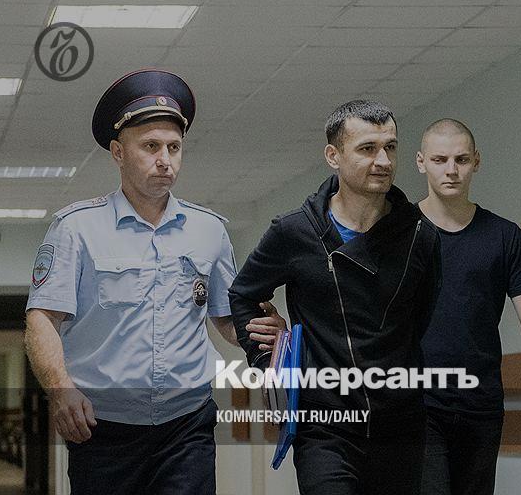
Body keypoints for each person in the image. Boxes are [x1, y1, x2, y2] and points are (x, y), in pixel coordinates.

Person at [24, 69, 241, 494]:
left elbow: (227, 318)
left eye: (174, 147)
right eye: (151, 146)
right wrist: (61, 391)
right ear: (118, 152)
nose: (165, 159)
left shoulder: (209, 230)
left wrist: (268, 335)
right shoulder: (76, 229)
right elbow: (42, 319)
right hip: (102, 427)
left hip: (187, 425)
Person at [228, 100, 441, 495]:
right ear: (333, 156)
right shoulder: (295, 232)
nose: (383, 161)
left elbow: (420, 316)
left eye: (390, 147)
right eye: (367, 148)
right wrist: (267, 361)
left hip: (400, 426)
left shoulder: (420, 236)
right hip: (324, 426)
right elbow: (242, 295)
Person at [414, 118, 521, 494]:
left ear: (477, 162)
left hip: (479, 404)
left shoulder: (503, 236)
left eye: (461, 159)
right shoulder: (400, 233)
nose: (451, 170)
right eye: (440, 160)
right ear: (421, 162)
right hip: (416, 402)